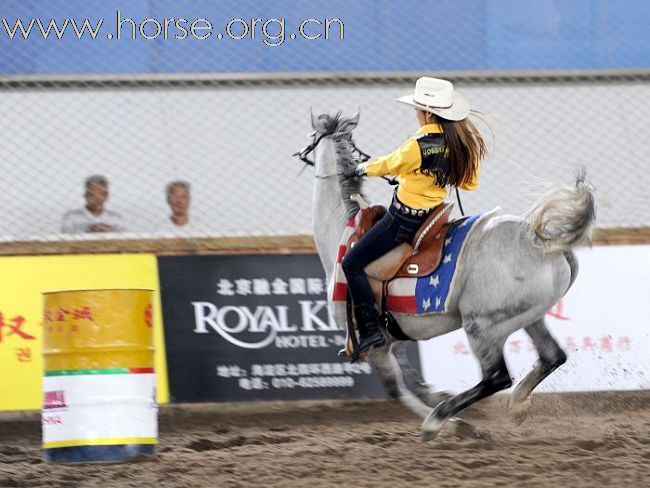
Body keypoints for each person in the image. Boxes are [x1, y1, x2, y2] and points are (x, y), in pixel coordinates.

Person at [341, 77, 488, 354]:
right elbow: (469, 183)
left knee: (352, 263)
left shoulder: (417, 146)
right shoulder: (461, 142)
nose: (416, 113)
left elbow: (390, 163)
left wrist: (360, 169)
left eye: (418, 109)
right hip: (433, 215)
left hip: (403, 222)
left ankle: (371, 330)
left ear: (429, 113)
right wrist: (423, 177)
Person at [61, 175, 125, 233]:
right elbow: (65, 234)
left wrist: (111, 230)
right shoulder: (72, 216)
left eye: (101, 194)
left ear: (107, 196)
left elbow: (125, 236)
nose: (97, 198)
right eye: (92, 194)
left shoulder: (115, 217)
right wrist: (87, 230)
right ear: (85, 196)